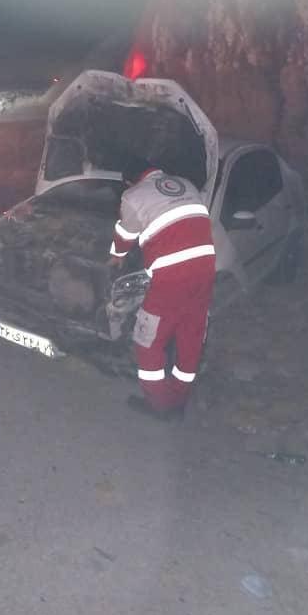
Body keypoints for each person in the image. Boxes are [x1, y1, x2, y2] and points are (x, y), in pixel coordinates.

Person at [109, 156, 216, 420]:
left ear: (129, 181)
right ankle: (179, 400)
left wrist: (115, 256)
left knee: (147, 341)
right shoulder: (186, 184)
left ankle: (159, 405)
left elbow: (125, 235)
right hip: (204, 269)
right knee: (190, 336)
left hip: (172, 276)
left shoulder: (133, 196)